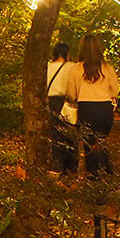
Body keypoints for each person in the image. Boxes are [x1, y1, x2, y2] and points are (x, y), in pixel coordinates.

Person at [62, 33, 120, 177]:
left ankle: (93, 172)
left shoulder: (76, 69)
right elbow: (115, 89)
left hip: (86, 108)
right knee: (101, 138)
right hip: (104, 108)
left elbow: (71, 92)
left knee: (89, 141)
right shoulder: (107, 68)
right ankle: (105, 167)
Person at [45, 43, 76, 174]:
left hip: (52, 103)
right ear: (67, 53)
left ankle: (57, 166)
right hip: (66, 102)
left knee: (56, 135)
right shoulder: (72, 67)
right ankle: (70, 168)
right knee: (70, 135)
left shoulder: (47, 67)